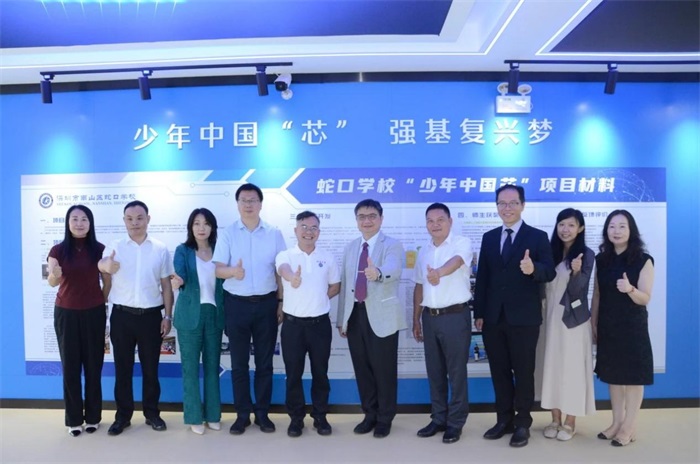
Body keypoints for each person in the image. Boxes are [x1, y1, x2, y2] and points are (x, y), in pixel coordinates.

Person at [474, 184, 555, 448]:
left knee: (523, 372)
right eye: (502, 203)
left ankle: (522, 424)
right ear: (497, 206)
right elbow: (483, 278)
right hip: (493, 318)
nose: (507, 208)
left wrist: (533, 269)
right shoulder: (489, 237)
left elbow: (550, 271)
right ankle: (504, 420)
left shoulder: (538, 237)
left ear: (523, 205)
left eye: (512, 203)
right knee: (499, 371)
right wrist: (479, 313)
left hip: (524, 318)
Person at [212, 183, 286, 435]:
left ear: (260, 204)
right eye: (243, 200)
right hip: (237, 305)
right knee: (239, 363)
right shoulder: (228, 233)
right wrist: (233, 271)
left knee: (265, 363)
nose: (248, 204)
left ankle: (262, 414)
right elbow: (217, 269)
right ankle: (242, 415)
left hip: (266, 304)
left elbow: (280, 271)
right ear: (237, 204)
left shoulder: (274, 233)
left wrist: (280, 302)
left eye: (253, 200)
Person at [99, 200, 174, 436]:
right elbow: (103, 266)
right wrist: (106, 265)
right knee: (123, 370)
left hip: (151, 317)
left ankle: (152, 413)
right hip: (122, 316)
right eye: (130, 219)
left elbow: (166, 285)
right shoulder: (115, 246)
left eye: (140, 218)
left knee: (151, 370)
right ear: (124, 221)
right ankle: (123, 416)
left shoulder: (160, 248)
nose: (135, 223)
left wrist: (168, 316)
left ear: (148, 219)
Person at [337, 199, 406, 439]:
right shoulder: (351, 247)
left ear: (381, 219)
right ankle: (370, 414)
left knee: (384, 370)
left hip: (382, 316)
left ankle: (385, 418)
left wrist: (377, 272)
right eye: (362, 216)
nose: (367, 221)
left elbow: (394, 268)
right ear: (356, 220)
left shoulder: (392, 245)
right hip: (355, 314)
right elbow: (346, 284)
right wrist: (342, 318)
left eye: (372, 216)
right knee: (362, 368)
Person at [592, 210, 654, 447]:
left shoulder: (643, 259)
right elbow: (597, 295)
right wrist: (594, 323)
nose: (616, 231)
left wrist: (630, 289)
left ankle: (629, 426)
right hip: (608, 325)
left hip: (632, 326)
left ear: (631, 230)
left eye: (622, 226)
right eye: (612, 226)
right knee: (613, 376)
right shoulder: (601, 259)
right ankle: (616, 423)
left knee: (633, 377)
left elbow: (645, 298)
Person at [47, 205, 111, 437]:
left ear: (90, 223)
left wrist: (99, 301)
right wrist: (54, 275)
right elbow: (52, 282)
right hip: (66, 313)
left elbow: (107, 281)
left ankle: (93, 417)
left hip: (94, 313)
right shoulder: (57, 250)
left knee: (94, 366)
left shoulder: (100, 249)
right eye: (74, 219)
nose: (79, 223)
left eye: (84, 219)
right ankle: (74, 420)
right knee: (71, 367)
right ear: (68, 223)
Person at [412, 203, 473, 444]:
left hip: (455, 317)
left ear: (450, 221)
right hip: (430, 317)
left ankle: (455, 423)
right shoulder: (424, 251)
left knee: (456, 373)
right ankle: (438, 418)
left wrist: (438, 272)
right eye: (430, 220)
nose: (435, 224)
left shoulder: (461, 243)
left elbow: (456, 262)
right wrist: (416, 318)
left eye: (440, 220)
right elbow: (419, 285)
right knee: (435, 371)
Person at [276, 211, 340, 438]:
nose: (309, 232)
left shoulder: (328, 257)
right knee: (293, 374)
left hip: (319, 325)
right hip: (293, 326)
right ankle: (296, 419)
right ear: (296, 230)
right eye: (304, 227)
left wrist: (319, 298)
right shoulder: (285, 255)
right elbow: (282, 269)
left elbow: (335, 286)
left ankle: (320, 417)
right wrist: (292, 277)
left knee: (320, 373)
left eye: (313, 228)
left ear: (319, 232)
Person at [540, 208, 596, 441]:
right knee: (552, 367)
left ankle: (570, 421)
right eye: (561, 224)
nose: (565, 229)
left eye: (571, 225)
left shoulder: (586, 254)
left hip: (572, 321)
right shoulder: (548, 251)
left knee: (572, 370)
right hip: (548, 319)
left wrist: (576, 272)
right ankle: (555, 418)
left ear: (580, 228)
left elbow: (578, 290)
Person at [171, 208, 225, 435]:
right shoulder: (182, 251)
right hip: (189, 315)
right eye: (196, 223)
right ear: (190, 227)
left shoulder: (220, 249)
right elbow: (180, 274)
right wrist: (179, 281)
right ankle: (194, 416)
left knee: (213, 367)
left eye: (206, 223)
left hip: (214, 313)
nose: (201, 228)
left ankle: (213, 415)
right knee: (190, 369)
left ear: (212, 227)